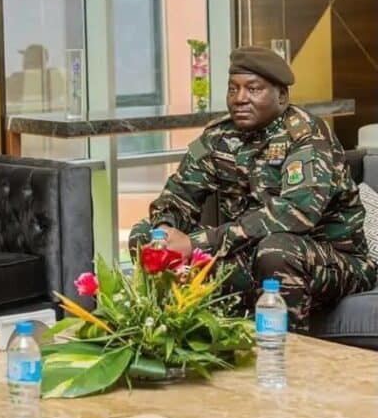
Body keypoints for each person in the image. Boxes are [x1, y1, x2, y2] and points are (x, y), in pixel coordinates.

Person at [128, 46, 375, 331]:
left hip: (331, 260)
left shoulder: (307, 136)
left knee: (276, 250)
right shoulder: (217, 136)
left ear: (281, 96)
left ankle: (285, 355)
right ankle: (168, 339)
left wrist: (196, 244)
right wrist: (166, 234)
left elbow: (294, 214)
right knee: (144, 236)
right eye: (233, 89)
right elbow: (178, 194)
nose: (240, 99)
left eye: (253, 89)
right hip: (249, 253)